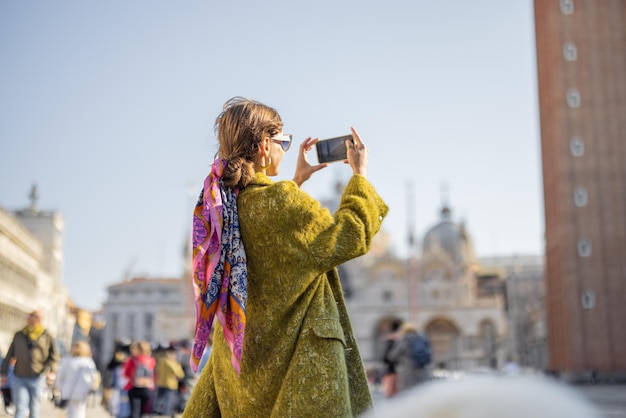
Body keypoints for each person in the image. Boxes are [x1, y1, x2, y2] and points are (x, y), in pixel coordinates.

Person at [182, 97, 388, 417]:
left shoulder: (220, 208)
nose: (285, 148)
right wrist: (359, 177)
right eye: (284, 142)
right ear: (265, 146)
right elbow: (352, 237)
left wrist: (296, 182)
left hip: (239, 371)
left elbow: (270, 239)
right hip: (297, 368)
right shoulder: (283, 203)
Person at [0, 310, 59, 418]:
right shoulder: (19, 335)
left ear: (40, 320)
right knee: (20, 407)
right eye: (30, 316)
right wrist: (3, 373)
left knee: (34, 408)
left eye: (35, 317)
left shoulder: (46, 335)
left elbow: (54, 356)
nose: (31, 319)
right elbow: (9, 354)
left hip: (37, 376)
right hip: (20, 376)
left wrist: (52, 371)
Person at [55, 341, 101, 418]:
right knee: (80, 412)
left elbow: (60, 376)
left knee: (69, 413)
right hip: (83, 392)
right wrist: (91, 389)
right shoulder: (88, 362)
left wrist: (60, 388)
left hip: (67, 391)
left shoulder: (67, 361)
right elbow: (94, 377)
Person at [387, 322, 430, 393]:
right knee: (421, 391)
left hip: (409, 369)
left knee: (409, 393)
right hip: (423, 368)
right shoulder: (422, 338)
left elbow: (392, 356)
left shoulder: (405, 339)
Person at [123, 341, 156, 418]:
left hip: (134, 388)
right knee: (144, 413)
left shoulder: (132, 360)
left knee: (134, 412)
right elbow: (154, 374)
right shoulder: (151, 360)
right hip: (148, 389)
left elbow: (126, 373)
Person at [153, 345, 185, 418]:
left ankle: (160, 413)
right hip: (169, 385)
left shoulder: (161, 361)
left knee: (161, 401)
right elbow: (180, 374)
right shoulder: (172, 363)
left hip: (162, 383)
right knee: (168, 401)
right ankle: (165, 415)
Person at [381, 320, 402, 398]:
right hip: (393, 369)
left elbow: (383, 357)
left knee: (390, 393)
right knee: (393, 393)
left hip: (388, 369)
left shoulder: (387, 341)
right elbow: (387, 357)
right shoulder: (395, 341)